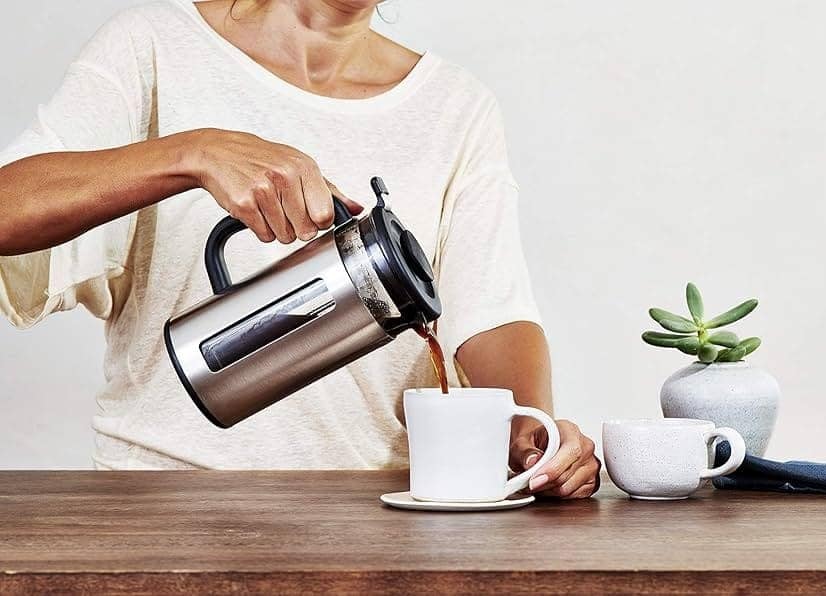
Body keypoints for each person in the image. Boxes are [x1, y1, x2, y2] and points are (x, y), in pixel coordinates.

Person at [0, 0, 600, 498]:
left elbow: (491, 308)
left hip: (373, 514)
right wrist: (193, 154)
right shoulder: (155, 46)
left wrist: (533, 427)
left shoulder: (456, 105)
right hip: (163, 503)